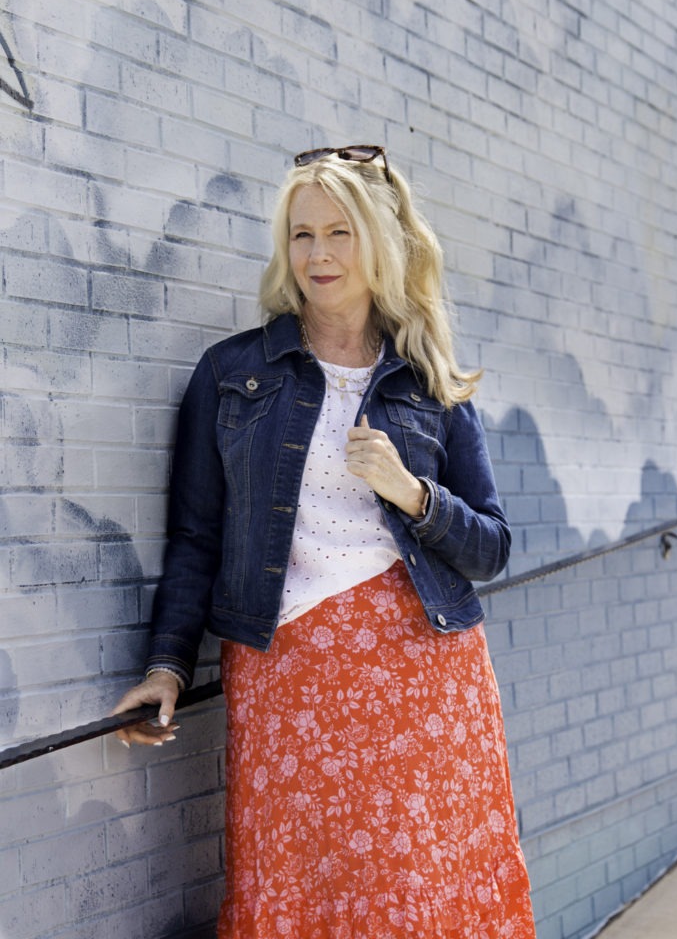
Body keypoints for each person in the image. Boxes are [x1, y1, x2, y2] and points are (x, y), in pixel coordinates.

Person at [115, 144, 536, 938]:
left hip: (425, 674)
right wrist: (167, 665)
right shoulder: (232, 372)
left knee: (422, 888)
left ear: (378, 241)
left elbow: (491, 548)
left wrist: (411, 494)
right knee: (305, 888)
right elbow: (197, 536)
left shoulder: (427, 380)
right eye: (301, 235)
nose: (316, 254)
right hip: (292, 673)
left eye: (337, 232)